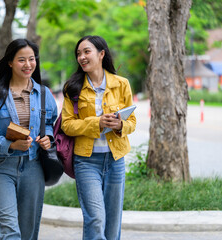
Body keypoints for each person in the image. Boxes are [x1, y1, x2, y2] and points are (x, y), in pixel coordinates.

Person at [0, 38, 57, 240]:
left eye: (31, 59)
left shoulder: (44, 94)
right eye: (21, 60)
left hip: (33, 167)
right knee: (8, 227)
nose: (28, 64)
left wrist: (48, 139)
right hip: (1, 167)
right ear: (10, 62)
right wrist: (10, 144)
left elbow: (51, 125)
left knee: (27, 230)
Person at [61, 35, 136, 240]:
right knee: (95, 219)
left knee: (112, 222)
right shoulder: (73, 88)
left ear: (101, 54)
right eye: (78, 53)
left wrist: (120, 125)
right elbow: (67, 125)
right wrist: (97, 123)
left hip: (115, 160)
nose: (82, 57)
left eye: (87, 52)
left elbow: (133, 123)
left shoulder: (121, 84)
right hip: (86, 161)